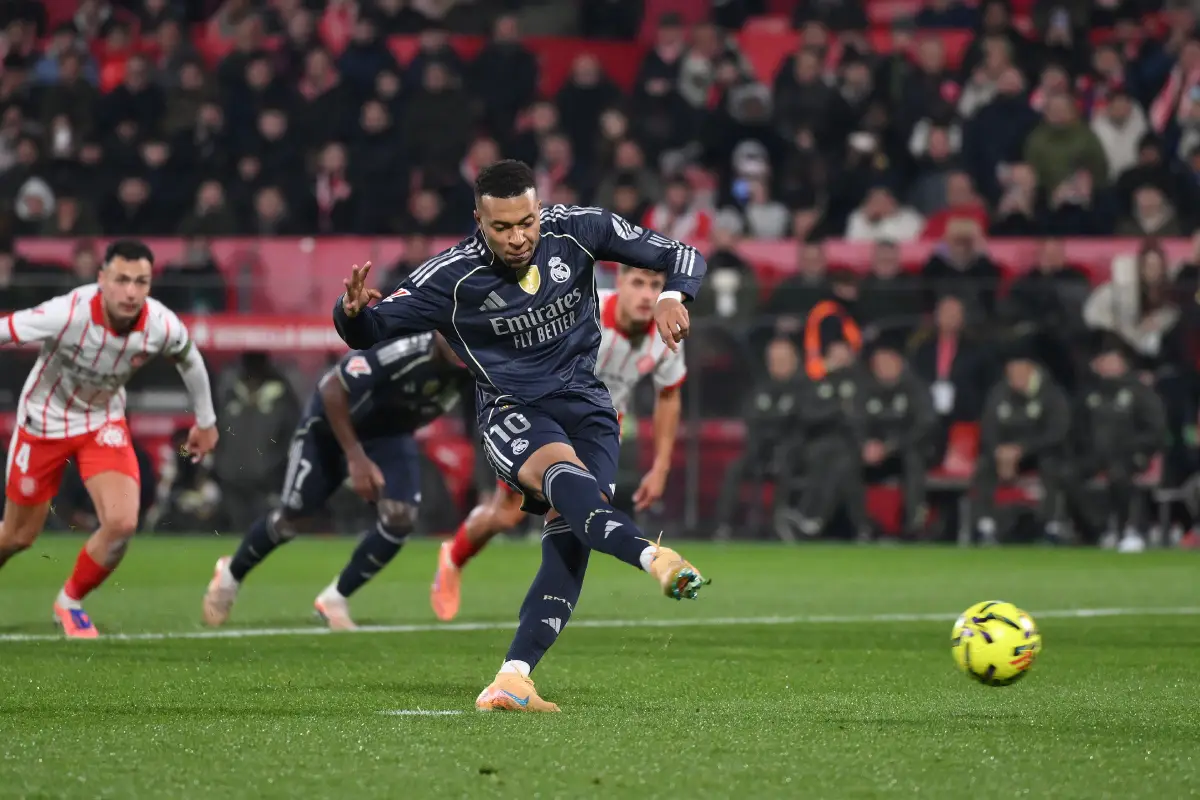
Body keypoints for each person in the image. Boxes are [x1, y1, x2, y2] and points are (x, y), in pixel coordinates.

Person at [334, 159, 709, 713]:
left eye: (527, 222)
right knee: (567, 486)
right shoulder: (450, 277)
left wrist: (676, 296)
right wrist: (351, 314)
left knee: (572, 535)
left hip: (589, 408)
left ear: (540, 209)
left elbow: (682, 255)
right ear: (479, 223)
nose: (518, 237)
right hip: (513, 411)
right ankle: (654, 558)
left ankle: (513, 677)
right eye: (502, 227)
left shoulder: (576, 228)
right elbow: (371, 330)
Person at [429, 264, 687, 622]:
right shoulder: (584, 308)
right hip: (545, 420)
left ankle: (536, 632)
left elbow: (669, 395)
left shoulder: (666, 330)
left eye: (655, 285)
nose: (646, 294)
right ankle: (453, 557)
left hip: (598, 432)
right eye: (638, 282)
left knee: (582, 516)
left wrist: (661, 467)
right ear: (620, 282)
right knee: (504, 514)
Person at [0, 240, 219, 638]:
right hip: (43, 423)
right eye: (121, 280)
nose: (131, 292)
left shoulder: (160, 324)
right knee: (17, 537)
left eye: (141, 281)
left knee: (121, 523)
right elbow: (5, 330)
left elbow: (190, 359)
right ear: (101, 280)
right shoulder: (66, 313)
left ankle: (69, 602)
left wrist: (205, 421)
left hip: (101, 422)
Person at [202, 332, 470, 630]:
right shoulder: (403, 350)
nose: (463, 344)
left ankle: (334, 598)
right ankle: (231, 574)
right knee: (294, 519)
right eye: (455, 335)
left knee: (400, 518)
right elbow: (333, 387)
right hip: (328, 428)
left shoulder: (479, 360)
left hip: (389, 434)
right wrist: (355, 458)